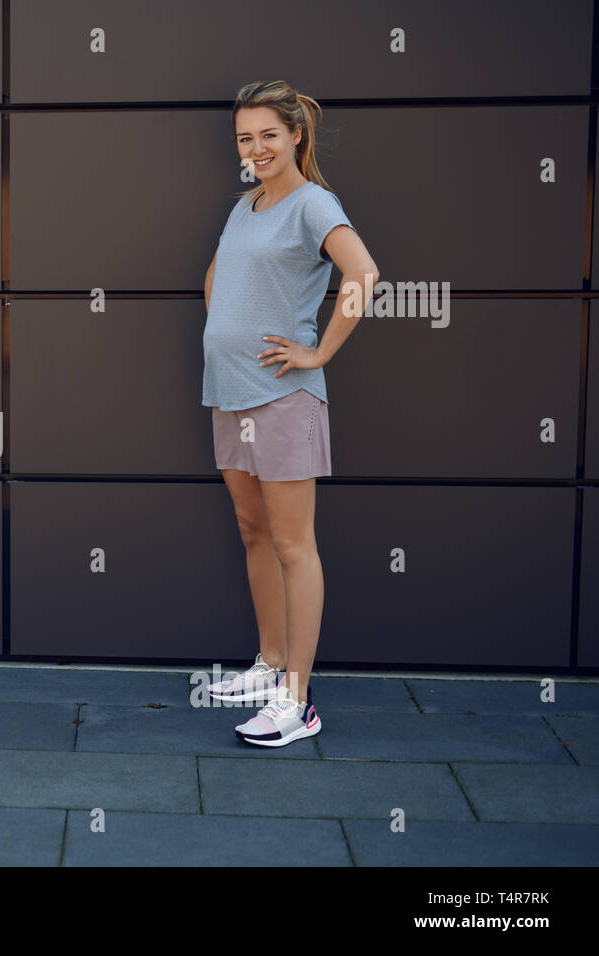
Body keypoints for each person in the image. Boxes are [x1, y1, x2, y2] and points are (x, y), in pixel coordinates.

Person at [201, 80, 379, 747]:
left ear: (296, 134)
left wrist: (317, 351)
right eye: (245, 138)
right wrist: (225, 329)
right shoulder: (248, 205)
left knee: (292, 545)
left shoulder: (312, 203)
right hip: (230, 390)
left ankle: (297, 701)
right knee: (254, 533)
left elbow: (363, 276)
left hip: (282, 397)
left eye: (268, 135)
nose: (256, 148)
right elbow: (218, 276)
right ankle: (269, 663)